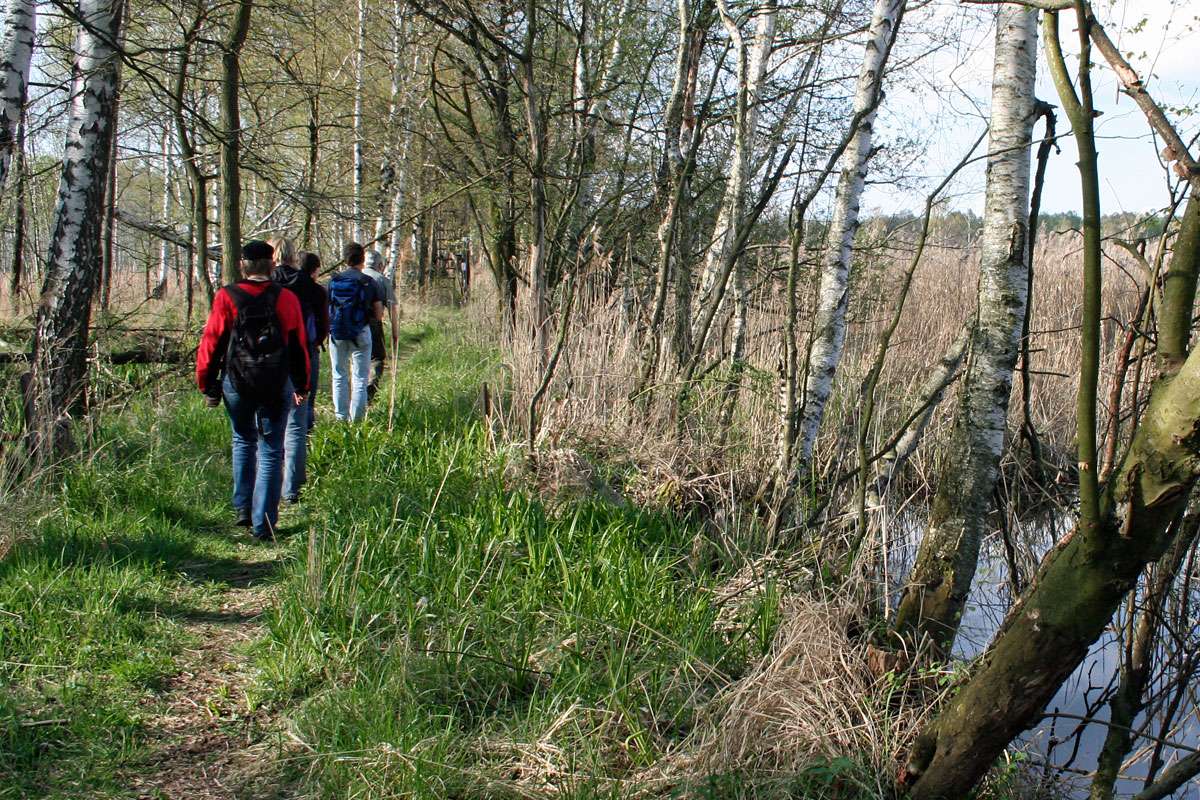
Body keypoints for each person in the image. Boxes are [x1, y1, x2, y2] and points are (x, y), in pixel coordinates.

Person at [196, 240, 309, 540]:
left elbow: (212, 342)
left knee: (243, 440)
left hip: (237, 381)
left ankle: (243, 509)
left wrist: (207, 384)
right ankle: (264, 524)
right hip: (275, 382)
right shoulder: (286, 298)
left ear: (243, 265)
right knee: (272, 450)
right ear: (271, 264)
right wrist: (302, 385)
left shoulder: (227, 296)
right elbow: (298, 347)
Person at [270, 236, 324, 504]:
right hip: (304, 354)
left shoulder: (266, 284)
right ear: (294, 255)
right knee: (298, 421)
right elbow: (323, 323)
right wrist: (315, 342)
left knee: (268, 422)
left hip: (269, 358)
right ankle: (292, 488)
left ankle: (267, 485)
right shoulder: (310, 286)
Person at [327, 242, 383, 421]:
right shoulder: (368, 282)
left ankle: (341, 418)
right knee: (360, 377)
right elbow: (379, 314)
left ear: (345, 258)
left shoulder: (334, 280)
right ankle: (357, 420)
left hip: (337, 333)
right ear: (362, 259)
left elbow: (328, 307)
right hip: (361, 332)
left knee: (339, 376)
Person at [299, 251, 330, 432]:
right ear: (315, 270)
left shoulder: (284, 287)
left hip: (282, 350)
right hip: (309, 348)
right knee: (308, 397)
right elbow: (325, 324)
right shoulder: (317, 290)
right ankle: (306, 437)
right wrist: (317, 342)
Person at [362, 249, 398, 401]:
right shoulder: (382, 280)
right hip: (373, 324)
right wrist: (395, 333)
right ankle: (370, 389)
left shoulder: (355, 275)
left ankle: (356, 393)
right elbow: (393, 309)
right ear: (380, 265)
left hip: (352, 325)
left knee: (358, 359)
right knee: (377, 358)